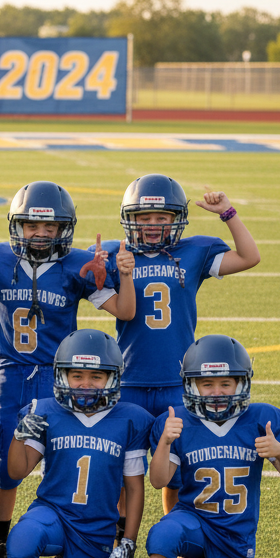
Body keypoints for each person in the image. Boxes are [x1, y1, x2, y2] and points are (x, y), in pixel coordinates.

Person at [0, 181, 135, 558]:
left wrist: (118, 276)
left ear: (64, 229)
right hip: (11, 373)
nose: (40, 233)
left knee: (64, 460)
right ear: (18, 225)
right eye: (32, 225)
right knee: (5, 464)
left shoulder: (77, 265)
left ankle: (65, 553)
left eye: (50, 227)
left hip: (60, 380)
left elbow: (124, 308)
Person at [104, 175, 261, 523]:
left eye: (162, 218)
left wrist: (228, 213)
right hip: (129, 378)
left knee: (175, 471)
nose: (152, 225)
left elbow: (249, 257)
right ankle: (116, 541)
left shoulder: (194, 251)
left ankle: (176, 545)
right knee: (118, 471)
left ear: (177, 219)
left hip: (177, 381)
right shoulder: (118, 254)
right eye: (144, 218)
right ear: (130, 218)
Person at [141, 335, 280, 558]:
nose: (216, 392)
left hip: (235, 534)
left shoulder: (263, 419)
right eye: (207, 383)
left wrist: (279, 450)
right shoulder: (177, 422)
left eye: (226, 384)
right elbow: (159, 480)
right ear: (191, 385)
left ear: (242, 383)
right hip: (193, 522)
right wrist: (165, 442)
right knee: (161, 536)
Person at [0, 330, 152, 558]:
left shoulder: (131, 419)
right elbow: (16, 470)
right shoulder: (44, 409)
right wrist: (18, 436)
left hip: (96, 527)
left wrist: (128, 541)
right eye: (76, 375)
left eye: (96, 376)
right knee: (23, 539)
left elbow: (135, 490)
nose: (85, 384)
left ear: (113, 377)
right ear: (61, 375)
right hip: (52, 514)